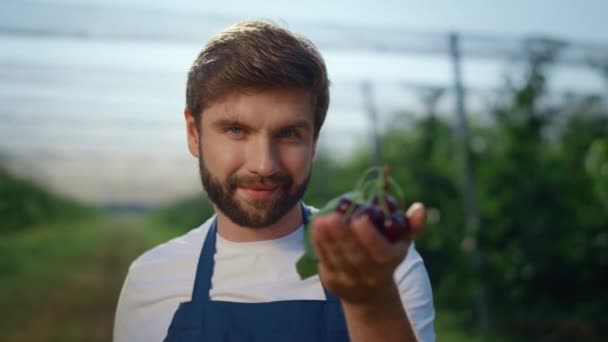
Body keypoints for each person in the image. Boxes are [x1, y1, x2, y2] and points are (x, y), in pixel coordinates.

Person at [113, 20, 435, 342]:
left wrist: (370, 300)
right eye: (236, 130)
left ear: (314, 142)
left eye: (289, 134)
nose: (264, 164)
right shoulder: (151, 279)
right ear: (194, 134)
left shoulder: (382, 269)